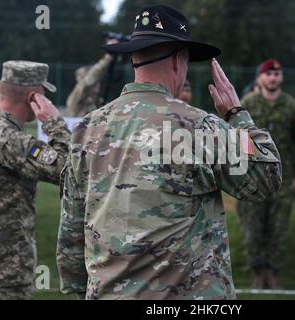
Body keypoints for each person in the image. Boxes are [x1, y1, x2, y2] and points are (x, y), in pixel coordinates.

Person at [56, 5, 282, 300]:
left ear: (135, 58)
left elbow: (72, 230)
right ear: (178, 60)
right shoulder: (200, 127)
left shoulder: (86, 129)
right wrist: (237, 114)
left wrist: (79, 285)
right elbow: (267, 176)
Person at [0, 61, 70, 300]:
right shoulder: (14, 142)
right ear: (33, 97)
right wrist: (54, 123)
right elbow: (70, 171)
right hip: (4, 276)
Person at [236, 59, 295, 289]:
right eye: (268, 73)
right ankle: (257, 270)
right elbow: (236, 139)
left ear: (281, 78)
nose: (273, 77)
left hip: (282, 179)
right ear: (259, 79)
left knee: (278, 228)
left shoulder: (292, 106)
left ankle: (273, 272)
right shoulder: (247, 105)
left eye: (277, 73)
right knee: (253, 228)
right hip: (252, 178)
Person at [66, 39, 119, 117]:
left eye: (97, 80)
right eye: (95, 80)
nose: (96, 83)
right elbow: (88, 82)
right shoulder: (76, 98)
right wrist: (108, 56)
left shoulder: (98, 101)